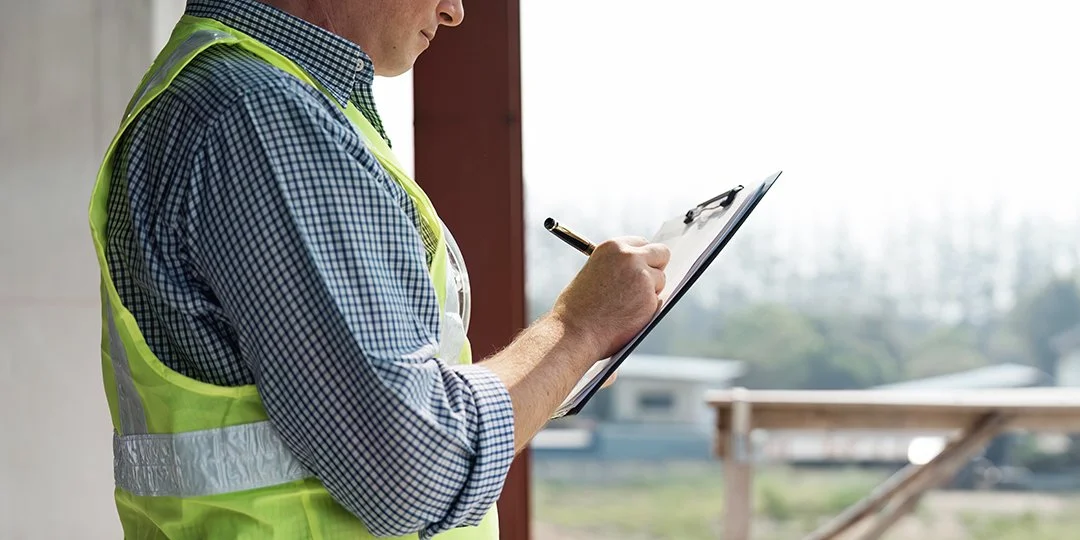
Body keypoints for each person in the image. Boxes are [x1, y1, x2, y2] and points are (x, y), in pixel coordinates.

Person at [88, 0, 670, 538]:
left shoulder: (234, 95)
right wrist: (576, 330)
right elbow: (409, 467)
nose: (455, 11)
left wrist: (564, 362)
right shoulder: (264, 118)